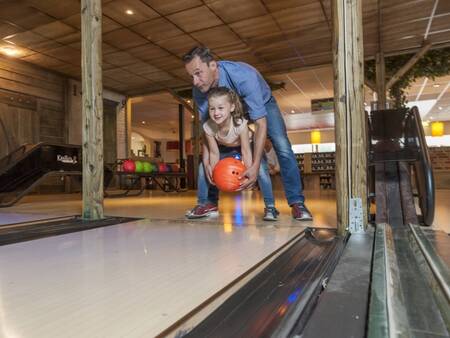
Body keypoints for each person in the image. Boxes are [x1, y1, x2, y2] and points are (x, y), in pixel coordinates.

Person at [183, 46, 313, 221]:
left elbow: (260, 123)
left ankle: (297, 202)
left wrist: (253, 166)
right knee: (207, 163)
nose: (195, 81)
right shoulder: (199, 91)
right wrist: (206, 161)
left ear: (213, 66)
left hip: (263, 103)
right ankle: (209, 202)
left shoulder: (243, 76)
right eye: (191, 76)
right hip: (229, 111)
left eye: (198, 73)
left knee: (282, 145)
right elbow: (209, 129)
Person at [186, 86, 279, 221]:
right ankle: (203, 205)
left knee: (261, 169)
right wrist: (214, 173)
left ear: (231, 107)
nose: (216, 113)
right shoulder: (208, 127)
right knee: (203, 168)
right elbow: (213, 153)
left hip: (246, 147)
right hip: (225, 149)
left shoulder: (240, 124)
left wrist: (249, 174)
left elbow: (246, 151)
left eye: (220, 108)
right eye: (212, 109)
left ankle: (270, 206)